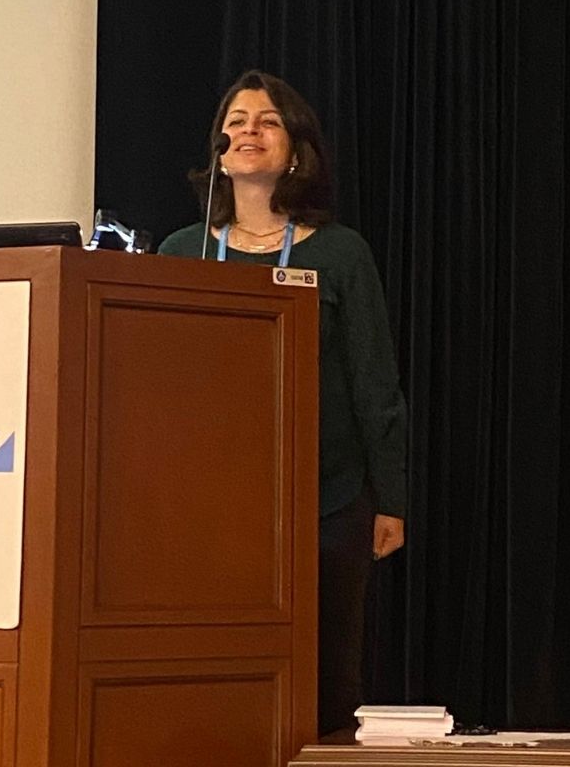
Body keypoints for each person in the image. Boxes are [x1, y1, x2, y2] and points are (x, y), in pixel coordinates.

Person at [158, 69, 407, 736]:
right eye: (236, 123)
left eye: (267, 122)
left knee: (328, 671)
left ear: (295, 151)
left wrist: (390, 499)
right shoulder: (181, 251)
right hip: (207, 505)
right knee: (214, 670)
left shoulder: (340, 253)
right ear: (219, 152)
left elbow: (375, 382)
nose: (250, 132)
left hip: (327, 499)